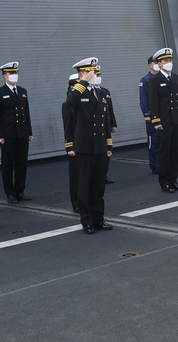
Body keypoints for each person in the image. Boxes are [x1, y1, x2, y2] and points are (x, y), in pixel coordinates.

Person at [65, 57, 113, 234]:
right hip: (84, 148)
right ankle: (87, 222)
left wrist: (109, 145)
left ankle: (99, 219)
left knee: (98, 186)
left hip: (99, 147)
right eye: (90, 71)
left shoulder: (100, 93)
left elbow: (105, 121)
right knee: (84, 186)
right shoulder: (77, 92)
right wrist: (82, 81)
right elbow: (70, 103)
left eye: (94, 71)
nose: (94, 74)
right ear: (81, 73)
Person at [147, 48, 178, 193]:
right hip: (163, 122)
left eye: (170, 60)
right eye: (165, 61)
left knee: (175, 152)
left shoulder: (175, 77)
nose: (169, 63)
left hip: (175, 120)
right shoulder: (155, 80)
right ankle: (164, 181)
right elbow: (153, 102)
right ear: (159, 64)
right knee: (164, 152)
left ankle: (173, 179)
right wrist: (156, 121)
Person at [0, 62, 33, 204]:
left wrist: (29, 131)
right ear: (5, 76)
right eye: (11, 73)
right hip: (8, 134)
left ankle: (20, 190)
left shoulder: (22, 91)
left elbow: (26, 113)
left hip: (22, 132)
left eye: (16, 73)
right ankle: (10, 193)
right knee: (8, 164)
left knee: (22, 163)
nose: (14, 76)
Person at [95, 66, 117, 185]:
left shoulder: (105, 91)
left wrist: (113, 124)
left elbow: (110, 109)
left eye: (99, 75)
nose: (98, 78)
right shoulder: (92, 92)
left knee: (107, 150)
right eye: (96, 75)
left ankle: (104, 174)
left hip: (106, 126)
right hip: (97, 127)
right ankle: (98, 175)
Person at [138, 56, 160, 175]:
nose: (157, 64)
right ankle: (155, 165)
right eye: (155, 63)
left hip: (163, 115)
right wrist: (146, 114)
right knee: (154, 141)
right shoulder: (145, 80)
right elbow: (143, 99)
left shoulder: (162, 78)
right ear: (150, 65)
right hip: (152, 116)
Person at [63, 73, 80, 213]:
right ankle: (76, 202)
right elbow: (67, 126)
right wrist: (70, 146)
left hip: (85, 144)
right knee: (75, 176)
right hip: (75, 144)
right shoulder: (68, 104)